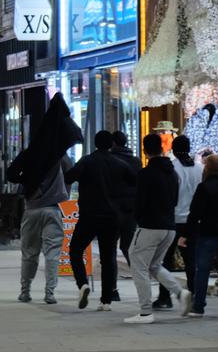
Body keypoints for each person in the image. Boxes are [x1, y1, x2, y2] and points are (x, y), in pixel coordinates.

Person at [7, 93, 82, 305]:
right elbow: (72, 173)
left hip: (31, 209)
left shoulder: (29, 153)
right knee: (52, 253)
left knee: (29, 253)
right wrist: (63, 188)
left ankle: (25, 291)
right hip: (54, 210)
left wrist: (27, 181)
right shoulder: (60, 156)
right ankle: (50, 293)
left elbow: (11, 174)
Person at [64, 131, 137, 311]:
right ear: (111, 144)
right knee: (108, 256)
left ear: (95, 143)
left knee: (75, 249)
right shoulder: (120, 164)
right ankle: (106, 300)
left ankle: (82, 284)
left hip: (89, 215)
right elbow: (134, 182)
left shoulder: (87, 161)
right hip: (112, 216)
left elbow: (68, 177)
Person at [124, 133, 191, 324]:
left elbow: (140, 202)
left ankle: (145, 312)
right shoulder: (173, 173)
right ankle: (180, 292)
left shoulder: (145, 174)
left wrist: (137, 218)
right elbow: (176, 200)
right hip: (169, 226)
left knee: (137, 264)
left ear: (145, 151)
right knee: (153, 264)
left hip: (149, 226)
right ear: (162, 148)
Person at [181, 155, 218, 318]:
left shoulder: (204, 187)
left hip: (209, 234)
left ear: (208, 168)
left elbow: (195, 213)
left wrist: (185, 234)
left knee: (203, 271)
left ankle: (199, 306)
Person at [155, 135, 203, 309]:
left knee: (165, 259)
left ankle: (164, 297)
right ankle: (195, 296)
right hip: (194, 221)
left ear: (173, 149)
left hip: (172, 219)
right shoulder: (199, 168)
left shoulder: (171, 168)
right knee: (192, 261)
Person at [109, 131, 142, 264]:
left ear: (113, 143)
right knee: (127, 245)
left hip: (112, 207)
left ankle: (111, 282)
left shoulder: (110, 160)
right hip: (131, 208)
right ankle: (137, 272)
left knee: (109, 246)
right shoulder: (136, 161)